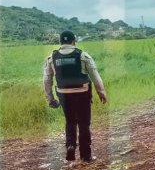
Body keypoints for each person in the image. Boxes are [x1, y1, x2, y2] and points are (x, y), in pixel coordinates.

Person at [43, 30, 108, 162]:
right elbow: (95, 76)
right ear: (74, 41)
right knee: (84, 123)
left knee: (70, 121)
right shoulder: (83, 55)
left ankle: (71, 145)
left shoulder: (52, 58)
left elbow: (47, 80)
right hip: (82, 93)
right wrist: (101, 92)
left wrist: (50, 99)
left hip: (63, 94)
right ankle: (86, 155)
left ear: (61, 42)